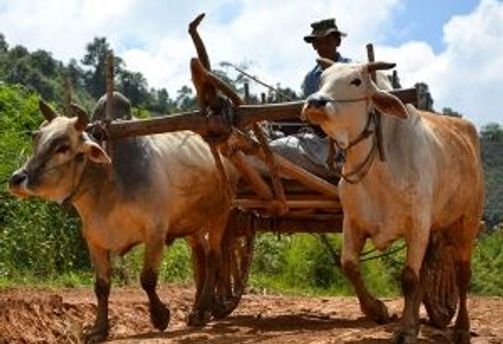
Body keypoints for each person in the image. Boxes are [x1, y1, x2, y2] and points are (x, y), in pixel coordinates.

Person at [302, 18, 350, 97]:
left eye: (328, 41)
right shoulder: (310, 79)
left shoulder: (353, 68)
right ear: (314, 46)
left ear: (338, 42)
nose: (323, 47)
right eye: (319, 43)